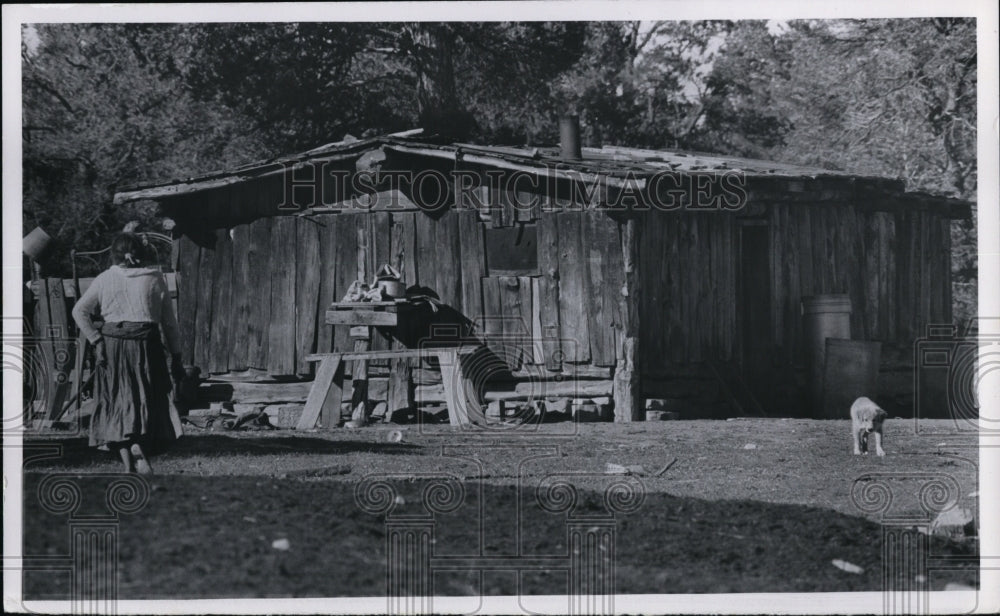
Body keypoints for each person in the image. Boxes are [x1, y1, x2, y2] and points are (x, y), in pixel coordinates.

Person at [72, 232, 184, 473]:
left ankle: (127, 463)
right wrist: (176, 356)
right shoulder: (154, 279)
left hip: (113, 347)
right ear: (141, 254)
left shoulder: (104, 278)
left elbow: (79, 311)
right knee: (146, 398)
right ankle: (139, 445)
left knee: (117, 401)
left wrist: (96, 340)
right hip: (147, 347)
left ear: (114, 254)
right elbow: (170, 323)